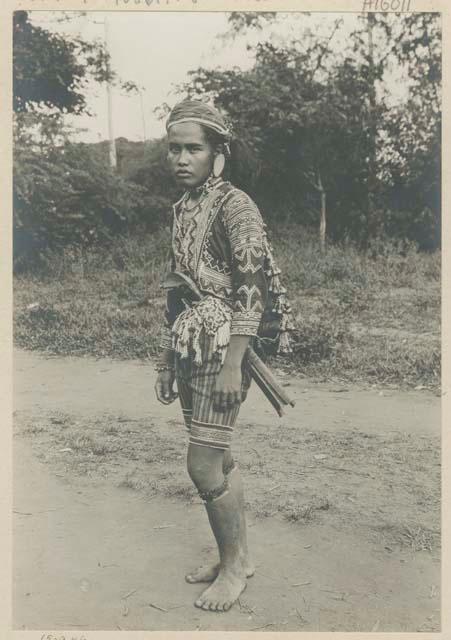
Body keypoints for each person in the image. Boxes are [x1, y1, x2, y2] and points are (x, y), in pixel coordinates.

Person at [154, 99, 292, 612]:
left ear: (218, 152)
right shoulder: (182, 208)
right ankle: (234, 554)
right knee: (219, 457)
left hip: (227, 346)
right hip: (191, 341)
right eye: (174, 149)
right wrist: (167, 359)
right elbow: (177, 289)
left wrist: (236, 360)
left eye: (193, 148)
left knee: (202, 464)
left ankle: (235, 568)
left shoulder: (237, 206)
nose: (181, 159)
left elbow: (252, 287)